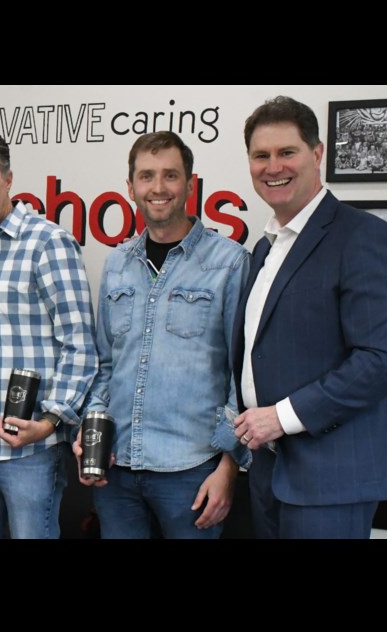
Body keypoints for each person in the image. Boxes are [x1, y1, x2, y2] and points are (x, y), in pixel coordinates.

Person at [233, 96, 387, 539]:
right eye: (261, 156)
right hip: (270, 471)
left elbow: (385, 359)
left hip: (331, 480)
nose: (273, 166)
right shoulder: (265, 249)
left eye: (286, 152)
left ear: (317, 155)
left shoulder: (363, 236)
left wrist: (283, 416)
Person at [71, 132, 249, 539]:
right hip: (116, 470)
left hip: (193, 472)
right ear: (130, 187)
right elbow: (105, 365)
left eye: (171, 175)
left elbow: (244, 377)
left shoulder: (230, 263)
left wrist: (229, 468)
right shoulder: (116, 263)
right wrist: (90, 427)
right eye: (147, 176)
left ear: (190, 184)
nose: (158, 187)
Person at [0, 128, 98, 539]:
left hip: (28, 450)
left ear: (8, 179)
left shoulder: (48, 242)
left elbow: (80, 345)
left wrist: (49, 421)